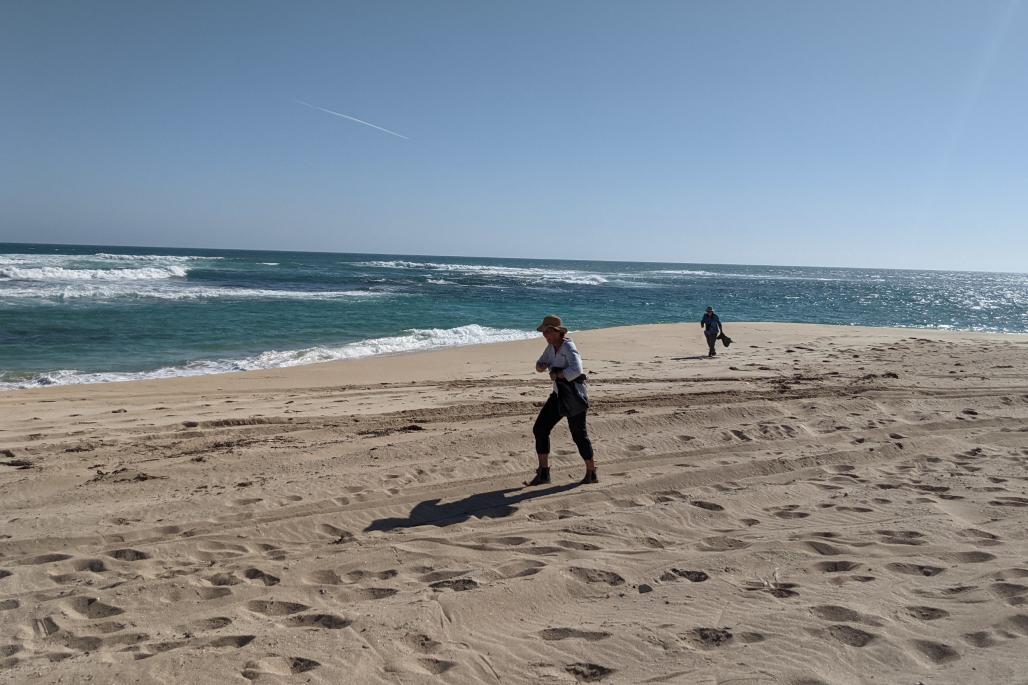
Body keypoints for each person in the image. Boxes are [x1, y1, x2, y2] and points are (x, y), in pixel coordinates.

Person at [526, 315, 597, 486]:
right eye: (544, 332)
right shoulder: (551, 347)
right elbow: (541, 363)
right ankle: (543, 473)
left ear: (558, 332)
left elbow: (577, 369)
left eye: (548, 331)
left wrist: (558, 374)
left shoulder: (569, 347)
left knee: (579, 435)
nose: (545, 335)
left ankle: (591, 472)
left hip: (575, 396)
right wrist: (540, 366)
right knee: (540, 429)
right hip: (558, 395)